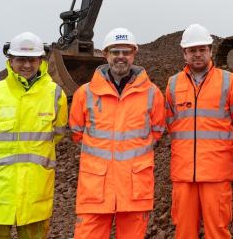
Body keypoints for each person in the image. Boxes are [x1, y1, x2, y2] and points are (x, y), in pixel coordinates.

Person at [0, 31, 68, 239]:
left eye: (32, 59)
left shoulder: (55, 94)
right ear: (10, 60)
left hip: (35, 191)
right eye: (21, 59)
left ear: (41, 60)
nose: (27, 65)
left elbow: (57, 133)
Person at [69, 27, 165, 239]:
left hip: (134, 189)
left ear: (133, 55)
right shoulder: (85, 93)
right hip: (95, 189)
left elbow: (157, 131)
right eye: (115, 52)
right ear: (105, 55)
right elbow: (76, 132)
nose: (120, 57)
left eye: (126, 52)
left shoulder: (152, 93)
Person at [165, 24, 233, 239]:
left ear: (210, 51)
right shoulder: (173, 84)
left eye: (202, 49)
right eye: (192, 50)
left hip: (216, 172)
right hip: (183, 173)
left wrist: (223, 150)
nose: (198, 54)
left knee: (218, 230)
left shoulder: (228, 82)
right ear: (184, 54)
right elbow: (170, 123)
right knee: (183, 231)